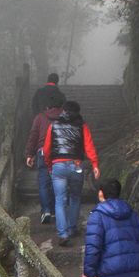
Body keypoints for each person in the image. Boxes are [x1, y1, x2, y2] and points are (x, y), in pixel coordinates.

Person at [43, 100, 100, 245]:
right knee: (75, 197)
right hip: (76, 165)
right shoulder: (82, 125)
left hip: (58, 165)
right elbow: (89, 145)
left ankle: (63, 234)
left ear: (63, 110)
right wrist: (94, 164)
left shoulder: (53, 125)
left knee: (59, 200)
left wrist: (50, 166)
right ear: (77, 112)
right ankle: (72, 228)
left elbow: (47, 149)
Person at [25, 102, 63, 224]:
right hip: (60, 152)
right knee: (57, 181)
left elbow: (33, 136)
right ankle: (55, 211)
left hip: (42, 151)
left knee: (43, 182)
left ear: (47, 106)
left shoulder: (40, 117)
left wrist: (30, 154)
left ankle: (46, 210)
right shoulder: (65, 117)